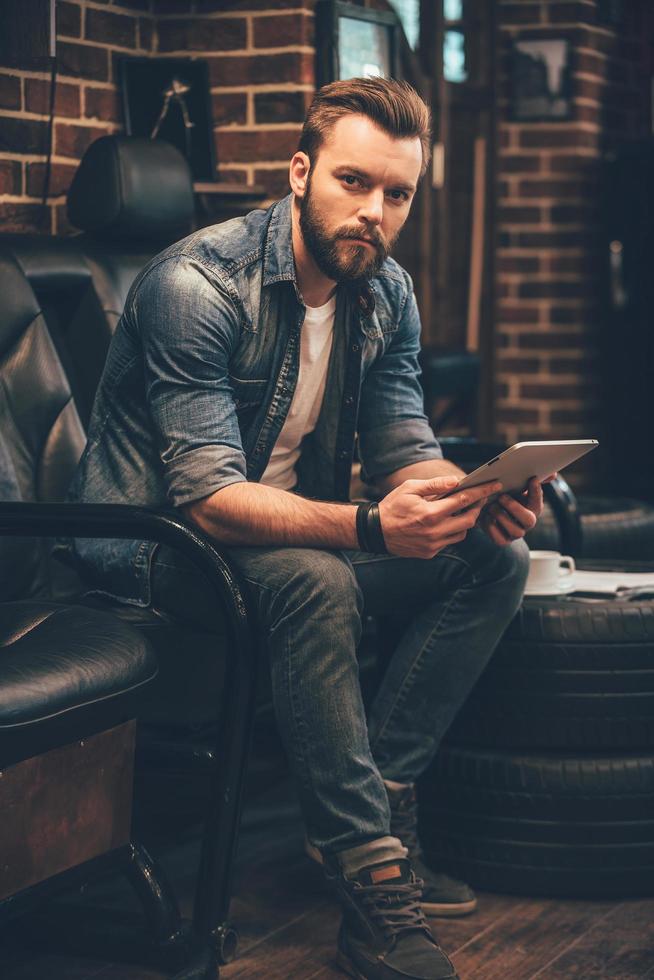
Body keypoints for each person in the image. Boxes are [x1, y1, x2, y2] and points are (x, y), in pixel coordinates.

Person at [67, 78, 543, 980]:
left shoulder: (383, 293)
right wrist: (371, 525)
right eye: (353, 183)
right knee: (316, 576)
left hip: (289, 545)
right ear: (301, 171)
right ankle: (376, 895)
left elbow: (407, 447)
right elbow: (205, 500)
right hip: (155, 555)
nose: (374, 213)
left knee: (493, 558)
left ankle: (379, 805)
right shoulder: (196, 284)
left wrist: (476, 496)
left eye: (396, 194)